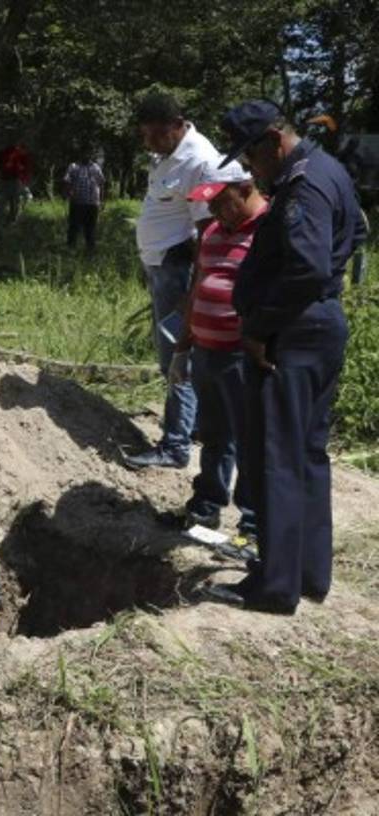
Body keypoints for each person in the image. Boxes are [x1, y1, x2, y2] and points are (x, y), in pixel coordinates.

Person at [204, 101, 367, 614]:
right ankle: (310, 574)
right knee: (308, 456)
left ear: (275, 141)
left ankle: (273, 588)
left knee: (275, 458)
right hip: (314, 327)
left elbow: (306, 268)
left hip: (290, 337)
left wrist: (259, 326)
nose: (250, 169)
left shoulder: (303, 185)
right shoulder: (328, 170)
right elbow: (357, 231)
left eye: (252, 155)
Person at [160, 161, 264, 539]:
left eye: (220, 201)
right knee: (214, 433)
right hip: (207, 350)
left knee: (251, 436)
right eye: (209, 203)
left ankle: (252, 522)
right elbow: (198, 287)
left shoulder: (270, 230)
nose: (213, 211)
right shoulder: (215, 231)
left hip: (244, 354)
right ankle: (206, 507)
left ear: (246, 188)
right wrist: (183, 348)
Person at [124, 93, 223, 471]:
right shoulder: (169, 154)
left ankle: (175, 446)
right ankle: (193, 426)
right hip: (161, 265)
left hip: (178, 270)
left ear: (174, 125)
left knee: (177, 357)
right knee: (174, 355)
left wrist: (194, 291)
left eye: (151, 134)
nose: (145, 142)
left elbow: (206, 231)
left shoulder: (198, 160)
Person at [63, 148, 106, 252]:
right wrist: (69, 194)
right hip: (77, 203)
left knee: (90, 228)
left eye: (88, 153)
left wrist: (102, 200)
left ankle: (90, 251)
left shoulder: (96, 167)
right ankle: (70, 249)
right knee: (74, 227)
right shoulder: (73, 166)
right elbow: (67, 181)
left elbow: (101, 183)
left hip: (93, 203)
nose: (86, 155)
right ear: (80, 154)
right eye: (84, 153)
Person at [0, 140, 33, 223]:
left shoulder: (20, 153)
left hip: (15, 180)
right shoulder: (4, 152)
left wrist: (25, 180)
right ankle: (1, 221)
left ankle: (11, 221)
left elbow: (27, 168)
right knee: (4, 202)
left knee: (14, 202)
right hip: (5, 179)